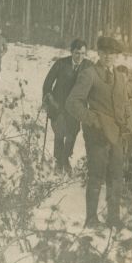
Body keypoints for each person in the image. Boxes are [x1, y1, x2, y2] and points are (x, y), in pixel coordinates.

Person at [66, 37, 132, 228]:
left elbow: (125, 103)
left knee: (116, 175)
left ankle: (114, 218)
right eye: (105, 53)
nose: (108, 57)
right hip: (97, 134)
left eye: (112, 54)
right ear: (99, 54)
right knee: (96, 175)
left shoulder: (121, 77)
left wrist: (128, 120)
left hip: (117, 135)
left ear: (117, 56)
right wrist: (93, 121)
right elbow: (72, 103)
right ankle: (91, 219)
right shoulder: (89, 74)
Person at [42, 39, 91, 171]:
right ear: (71, 52)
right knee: (59, 133)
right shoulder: (61, 64)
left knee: (73, 133)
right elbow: (48, 83)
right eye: (76, 53)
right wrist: (48, 98)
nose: (79, 56)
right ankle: (58, 161)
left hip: (76, 108)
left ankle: (65, 159)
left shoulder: (88, 66)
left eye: (82, 53)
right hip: (59, 105)